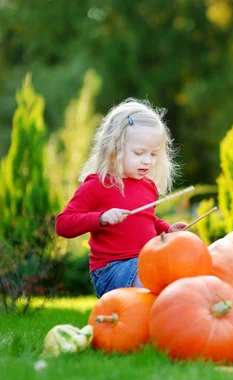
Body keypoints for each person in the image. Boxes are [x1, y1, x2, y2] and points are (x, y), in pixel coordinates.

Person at [55, 98, 188, 298]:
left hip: (144, 261)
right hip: (111, 270)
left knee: (178, 271)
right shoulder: (97, 185)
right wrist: (100, 218)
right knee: (155, 275)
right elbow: (63, 224)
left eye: (153, 154)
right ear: (114, 149)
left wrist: (167, 229)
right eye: (139, 153)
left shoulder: (148, 187)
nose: (147, 161)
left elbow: (146, 219)